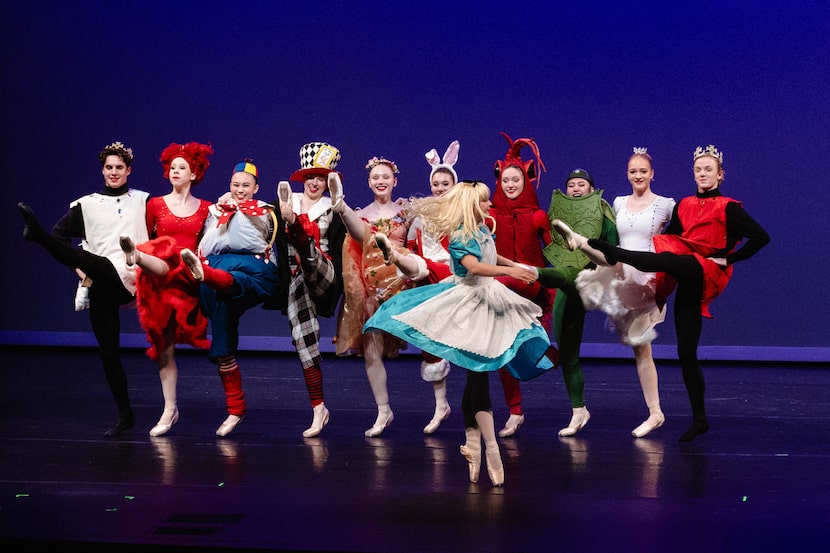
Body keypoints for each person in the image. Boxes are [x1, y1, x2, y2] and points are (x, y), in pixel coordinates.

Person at [554, 145, 770, 442]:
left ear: (720, 174)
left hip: (678, 271)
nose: (703, 174)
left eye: (709, 170)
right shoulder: (653, 204)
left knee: (663, 273)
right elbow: (677, 238)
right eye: (698, 169)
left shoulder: (699, 205)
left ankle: (608, 251)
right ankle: (695, 419)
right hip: (657, 270)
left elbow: (756, 237)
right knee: (680, 349)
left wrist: (728, 259)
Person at [364, 181, 557, 487]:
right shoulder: (460, 235)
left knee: (477, 377)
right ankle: (490, 448)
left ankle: (474, 447)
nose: (488, 206)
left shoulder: (482, 229)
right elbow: (473, 267)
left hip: (489, 300)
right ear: (470, 205)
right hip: (468, 304)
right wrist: (510, 272)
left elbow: (493, 258)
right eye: (482, 202)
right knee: (478, 376)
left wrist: (518, 265)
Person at [17, 141, 149, 437]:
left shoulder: (143, 201)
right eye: (109, 167)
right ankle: (125, 415)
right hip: (100, 281)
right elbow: (61, 237)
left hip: (129, 277)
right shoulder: (86, 204)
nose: (114, 172)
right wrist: (81, 271)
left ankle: (36, 236)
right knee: (108, 351)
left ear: (129, 170)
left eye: (119, 167)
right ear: (102, 170)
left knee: (101, 263)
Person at [560, 148, 675, 438]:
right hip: (618, 271)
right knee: (586, 281)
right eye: (633, 171)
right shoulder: (619, 202)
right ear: (627, 174)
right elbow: (610, 239)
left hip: (644, 277)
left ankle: (655, 412)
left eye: (643, 171)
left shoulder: (665, 205)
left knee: (641, 347)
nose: (638, 175)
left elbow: (682, 235)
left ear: (652, 174)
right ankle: (579, 242)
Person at [177, 158, 281, 437]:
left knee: (234, 278)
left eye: (246, 185)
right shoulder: (216, 210)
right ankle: (235, 408)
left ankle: (206, 275)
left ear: (256, 187)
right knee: (222, 320)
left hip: (254, 269)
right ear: (229, 185)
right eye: (236, 185)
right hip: (217, 268)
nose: (240, 190)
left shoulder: (265, 211)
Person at [119, 141, 214, 437]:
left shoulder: (206, 209)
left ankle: (139, 256)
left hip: (188, 280)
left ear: (194, 173)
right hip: (160, 282)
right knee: (164, 349)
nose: (175, 171)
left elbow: (210, 244)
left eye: (181, 167)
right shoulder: (156, 205)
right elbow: (149, 235)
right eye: (172, 167)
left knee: (180, 257)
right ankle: (169, 409)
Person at [328, 156, 420, 437]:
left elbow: (421, 242)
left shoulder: (406, 211)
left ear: (395, 181)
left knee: (433, 343)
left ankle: (442, 403)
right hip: (374, 284)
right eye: (375, 177)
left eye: (386, 177)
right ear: (369, 182)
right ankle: (383, 410)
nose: (381, 181)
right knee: (371, 350)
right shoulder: (363, 213)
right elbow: (354, 248)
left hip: (403, 284)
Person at [535, 168, 619, 437]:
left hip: (595, 277)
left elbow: (613, 251)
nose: (575, 188)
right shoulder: (559, 214)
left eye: (581, 184)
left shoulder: (602, 212)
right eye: (571, 185)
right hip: (567, 282)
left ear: (591, 189)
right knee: (567, 352)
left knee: (567, 275)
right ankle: (579, 410)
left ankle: (528, 272)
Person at [271, 142, 346, 438]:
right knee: (304, 334)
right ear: (302, 179)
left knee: (312, 260)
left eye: (321, 177)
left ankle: (299, 234)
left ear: (329, 182)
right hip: (297, 280)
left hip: (325, 276)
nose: (315, 183)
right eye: (310, 177)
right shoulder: (285, 203)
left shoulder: (333, 208)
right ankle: (319, 408)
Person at [490, 132, 558, 438]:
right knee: (504, 352)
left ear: (526, 181)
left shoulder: (537, 216)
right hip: (502, 288)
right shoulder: (491, 216)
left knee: (533, 348)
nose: (510, 185)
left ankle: (554, 354)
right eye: (506, 180)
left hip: (531, 288)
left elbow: (556, 252)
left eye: (516, 179)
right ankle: (515, 411)